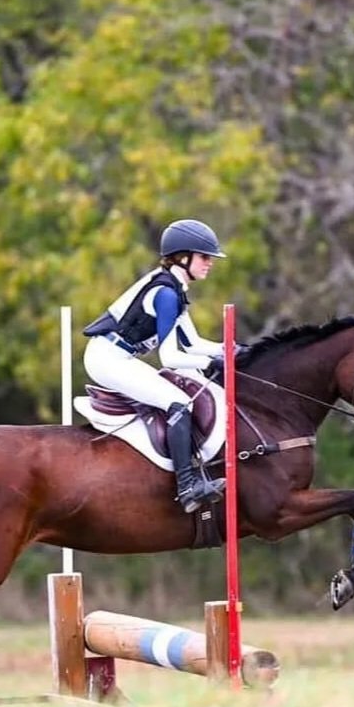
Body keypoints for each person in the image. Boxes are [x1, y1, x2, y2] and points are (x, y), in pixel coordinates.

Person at [82, 218, 229, 513]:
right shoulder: (165, 295)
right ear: (183, 257)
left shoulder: (173, 288)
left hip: (117, 356)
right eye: (204, 257)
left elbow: (193, 342)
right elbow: (171, 357)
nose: (210, 263)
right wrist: (214, 360)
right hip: (107, 359)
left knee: (179, 395)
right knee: (179, 402)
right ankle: (187, 486)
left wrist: (232, 350)